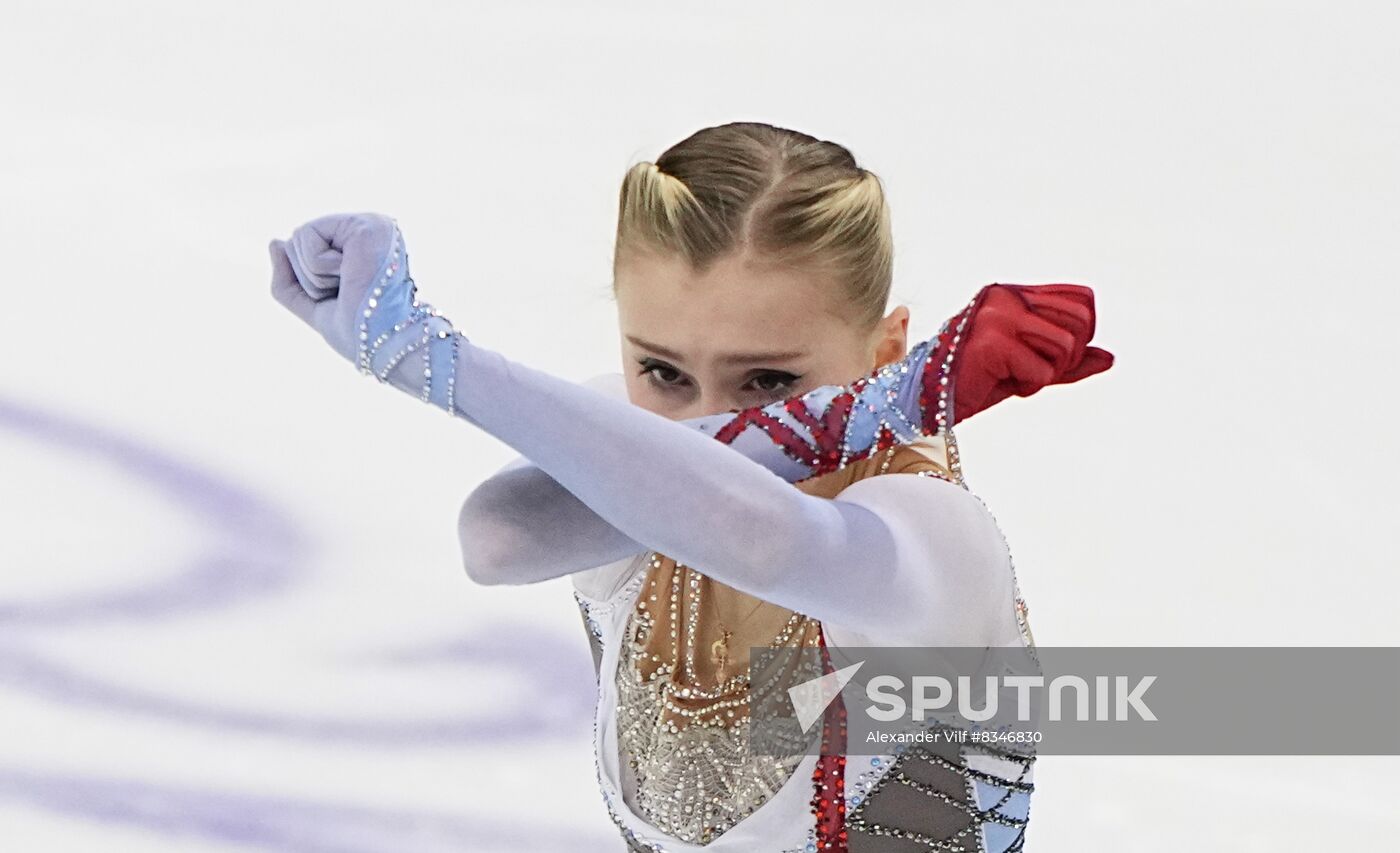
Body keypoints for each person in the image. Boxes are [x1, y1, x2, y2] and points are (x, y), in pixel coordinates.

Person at [268, 121, 1111, 852]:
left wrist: (430, 358)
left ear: (888, 351)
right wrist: (851, 413)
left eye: (768, 380)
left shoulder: (930, 532)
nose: (699, 418)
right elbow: (498, 538)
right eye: (663, 371)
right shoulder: (625, 458)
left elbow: (758, 535)